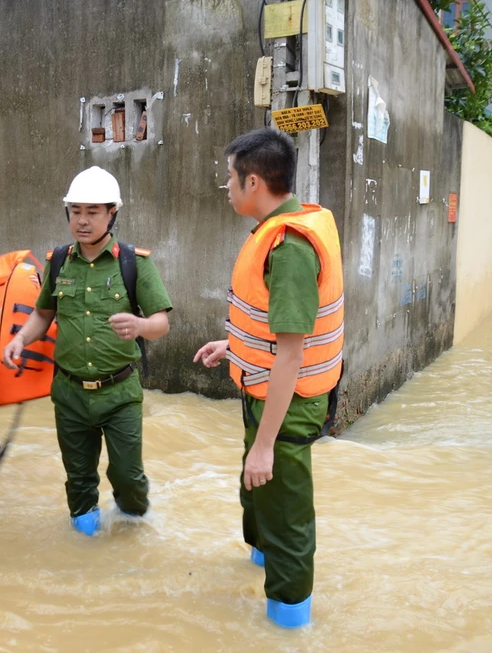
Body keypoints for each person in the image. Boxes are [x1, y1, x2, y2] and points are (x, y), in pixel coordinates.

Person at [194, 128, 344, 628]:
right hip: (265, 394)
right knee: (259, 498)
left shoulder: (290, 249)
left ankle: (288, 624)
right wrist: (232, 345)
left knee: (285, 516)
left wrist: (265, 444)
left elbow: (292, 355)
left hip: (287, 403)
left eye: (229, 179)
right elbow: (271, 331)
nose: (227, 187)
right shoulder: (283, 228)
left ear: (253, 181)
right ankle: (261, 572)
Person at [2, 166, 173, 536]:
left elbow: (161, 322)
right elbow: (44, 312)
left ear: (112, 213)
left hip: (120, 394)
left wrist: (141, 326)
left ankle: (132, 531)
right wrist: (20, 339)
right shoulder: (58, 261)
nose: (82, 220)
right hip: (69, 393)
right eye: (76, 211)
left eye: (93, 212)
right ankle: (84, 548)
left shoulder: (135, 263)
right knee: (78, 481)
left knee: (127, 476)